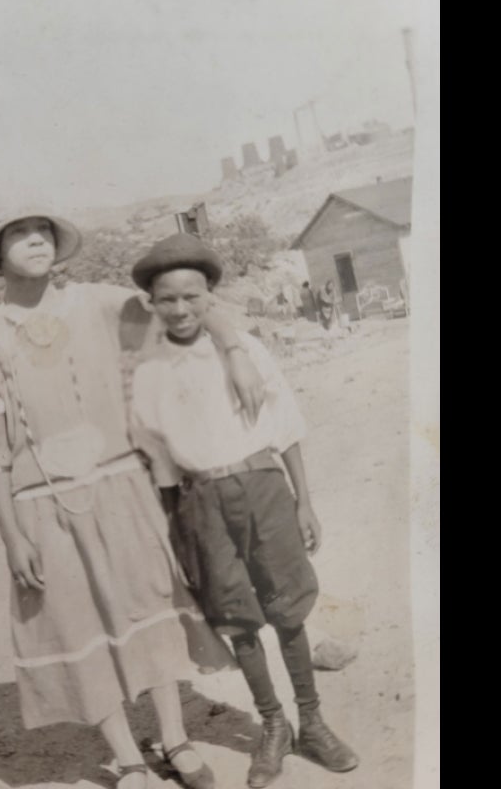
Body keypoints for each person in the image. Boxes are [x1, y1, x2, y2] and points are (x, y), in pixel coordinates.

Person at [0, 201, 265, 789]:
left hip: (123, 485)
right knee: (76, 624)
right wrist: (10, 537)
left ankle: (174, 740)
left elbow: (191, 307)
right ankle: (126, 758)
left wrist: (233, 353)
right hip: (44, 503)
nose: (35, 240)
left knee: (148, 610)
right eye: (17, 234)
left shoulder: (100, 303)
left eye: (41, 229)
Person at [128, 233, 360, 788]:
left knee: (287, 608)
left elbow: (287, 429)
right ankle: (274, 725)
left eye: (192, 297)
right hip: (199, 503)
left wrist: (305, 502)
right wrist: (177, 539)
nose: (181, 309)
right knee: (237, 615)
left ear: (210, 296)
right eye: (168, 300)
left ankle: (313, 721)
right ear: (152, 304)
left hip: (262, 488)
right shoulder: (148, 372)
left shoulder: (245, 351)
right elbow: (159, 468)